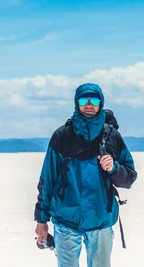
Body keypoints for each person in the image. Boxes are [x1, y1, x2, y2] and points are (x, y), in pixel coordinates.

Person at [34, 82, 138, 267]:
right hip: (66, 221)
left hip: (100, 220)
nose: (89, 104)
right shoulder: (62, 136)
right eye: (84, 100)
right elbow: (47, 179)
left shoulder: (111, 137)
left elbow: (129, 178)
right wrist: (41, 220)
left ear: (101, 103)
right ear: (77, 103)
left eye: (94, 100)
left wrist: (114, 168)